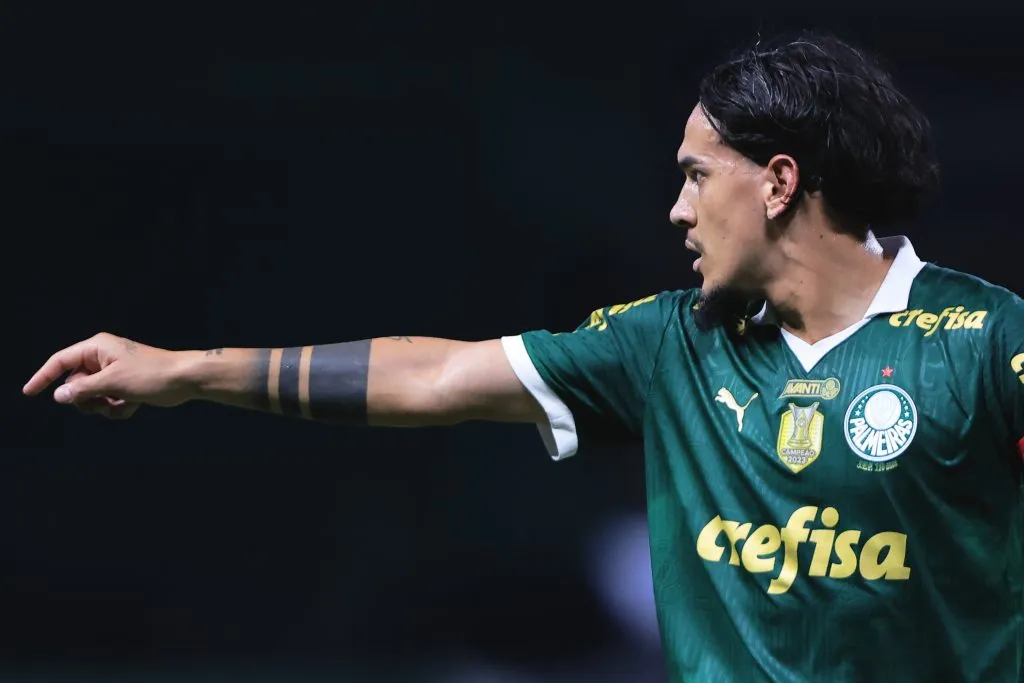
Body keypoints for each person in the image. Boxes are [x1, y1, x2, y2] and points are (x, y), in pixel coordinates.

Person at [23, 31, 1024, 682]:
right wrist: (188, 369)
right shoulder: (668, 341)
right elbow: (437, 374)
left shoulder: (984, 342)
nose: (675, 209)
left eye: (693, 177)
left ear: (777, 182)